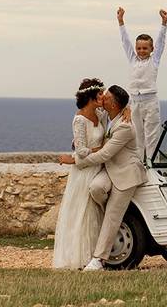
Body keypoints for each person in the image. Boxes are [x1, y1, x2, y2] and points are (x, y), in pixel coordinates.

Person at [64, 85, 147, 272]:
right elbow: (86, 112)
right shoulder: (109, 114)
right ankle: (110, 214)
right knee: (95, 188)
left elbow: (103, 155)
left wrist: (75, 161)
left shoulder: (124, 127)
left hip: (126, 174)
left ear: (114, 105)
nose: (102, 99)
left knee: (112, 215)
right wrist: (128, 108)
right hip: (110, 170)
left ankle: (99, 260)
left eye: (107, 97)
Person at [52, 77, 107, 269]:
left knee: (95, 213)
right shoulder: (79, 120)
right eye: (100, 94)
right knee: (82, 214)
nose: (103, 96)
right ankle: (79, 258)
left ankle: (97, 257)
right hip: (83, 173)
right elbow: (82, 150)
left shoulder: (100, 115)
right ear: (91, 97)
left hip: (97, 168)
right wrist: (102, 148)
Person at [116, 7, 167, 163]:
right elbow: (125, 42)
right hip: (135, 102)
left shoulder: (154, 60)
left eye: (145, 48)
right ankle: (139, 165)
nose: (141, 50)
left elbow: (161, 42)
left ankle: (153, 165)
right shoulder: (133, 59)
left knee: (152, 136)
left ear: (152, 49)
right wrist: (121, 22)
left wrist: (164, 24)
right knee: (137, 136)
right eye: (139, 48)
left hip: (150, 101)